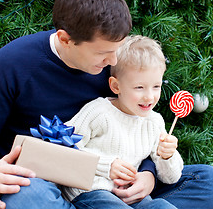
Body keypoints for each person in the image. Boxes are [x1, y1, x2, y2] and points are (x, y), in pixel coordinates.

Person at [0, 0, 213, 209]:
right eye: (103, 54)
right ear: (65, 39)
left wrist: (148, 175)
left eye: (116, 51)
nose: (113, 62)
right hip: (38, 182)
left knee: (208, 181)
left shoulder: (113, 62)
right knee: (27, 197)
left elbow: (139, 129)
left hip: (109, 183)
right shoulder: (11, 64)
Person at [61, 35, 183, 209]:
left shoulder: (154, 122)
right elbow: (66, 150)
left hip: (131, 196)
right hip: (92, 191)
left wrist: (167, 156)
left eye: (156, 86)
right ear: (116, 86)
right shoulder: (99, 112)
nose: (149, 96)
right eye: (139, 87)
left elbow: (171, 178)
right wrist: (106, 165)